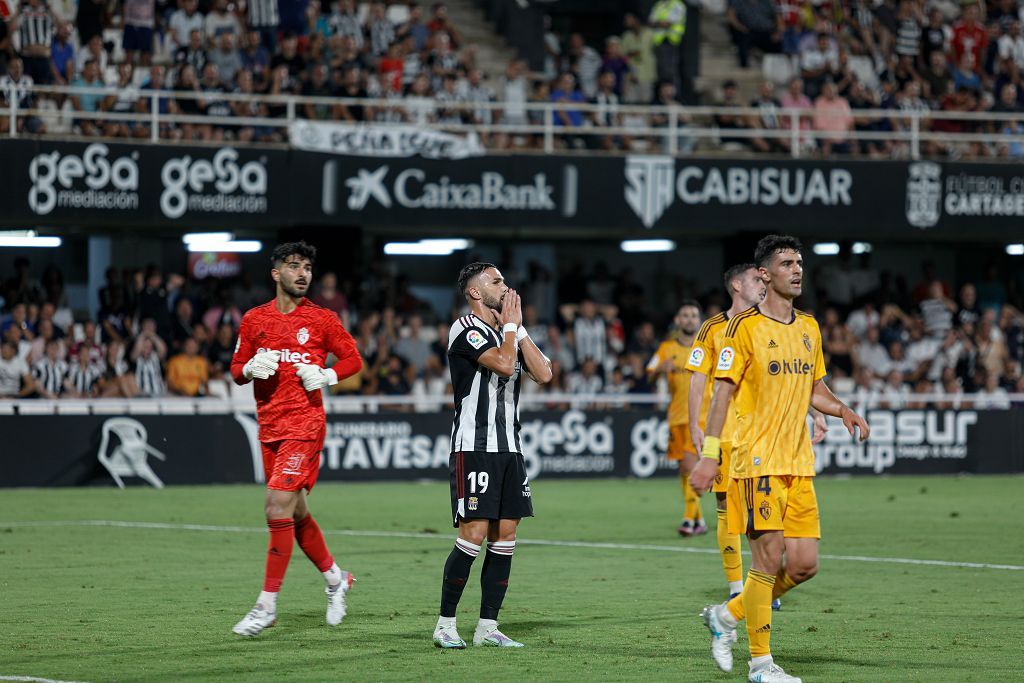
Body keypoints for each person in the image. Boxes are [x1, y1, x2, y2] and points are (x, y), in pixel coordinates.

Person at [692, 235, 870, 683]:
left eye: (800, 262)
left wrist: (843, 408)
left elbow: (815, 388)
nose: (798, 270)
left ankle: (727, 616)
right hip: (756, 461)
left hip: (798, 464)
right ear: (765, 275)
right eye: (787, 263)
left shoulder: (809, 326)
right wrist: (710, 455)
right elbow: (721, 396)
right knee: (767, 563)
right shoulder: (742, 329)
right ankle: (761, 664)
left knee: (805, 565)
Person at [229, 241, 363, 637]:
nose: (302, 273)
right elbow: (236, 370)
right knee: (295, 513)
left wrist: (328, 376)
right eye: (294, 266)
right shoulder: (254, 320)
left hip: (305, 427)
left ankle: (266, 605)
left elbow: (353, 358)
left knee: (275, 507)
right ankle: (337, 578)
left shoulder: (322, 319)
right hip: (270, 427)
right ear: (276, 273)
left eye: (307, 266)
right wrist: (251, 367)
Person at [433, 262, 553, 649]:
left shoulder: (509, 329)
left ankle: (487, 627)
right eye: (495, 281)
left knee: (506, 536)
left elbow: (544, 373)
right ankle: (445, 625)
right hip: (475, 445)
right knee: (474, 533)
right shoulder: (464, 328)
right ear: (474, 292)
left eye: (503, 280)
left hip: (510, 448)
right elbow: (504, 365)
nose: (505, 286)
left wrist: (516, 328)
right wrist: (511, 330)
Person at [685, 265, 765, 597]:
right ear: (736, 284)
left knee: (764, 513)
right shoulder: (712, 328)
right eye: (756, 280)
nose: (763, 285)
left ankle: (762, 585)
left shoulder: (770, 324)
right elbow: (698, 378)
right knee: (727, 511)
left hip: (763, 434)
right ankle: (736, 587)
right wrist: (694, 425)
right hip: (725, 435)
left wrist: (811, 413)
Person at [646, 301, 705, 536]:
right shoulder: (666, 348)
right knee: (684, 469)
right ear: (678, 321)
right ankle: (698, 519)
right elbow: (648, 375)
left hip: (700, 418)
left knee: (690, 466)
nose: (689, 319)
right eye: (685, 315)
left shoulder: (706, 348)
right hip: (676, 418)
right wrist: (661, 369)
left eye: (693, 315)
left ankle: (689, 520)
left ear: (699, 321)